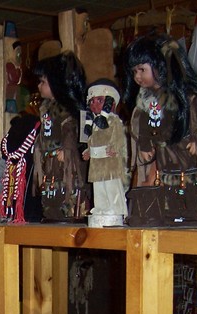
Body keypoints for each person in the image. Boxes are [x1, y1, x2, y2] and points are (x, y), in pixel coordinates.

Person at [123, 34, 197, 224]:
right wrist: (144, 144)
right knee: (164, 197)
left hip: (185, 159)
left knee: (187, 197)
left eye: (142, 69)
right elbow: (142, 127)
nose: (137, 77)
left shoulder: (188, 99)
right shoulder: (144, 102)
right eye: (134, 71)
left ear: (160, 65)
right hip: (163, 162)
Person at [32, 50, 88, 221]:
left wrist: (68, 150)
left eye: (43, 82)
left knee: (66, 189)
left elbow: (70, 132)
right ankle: (51, 213)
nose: (39, 86)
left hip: (65, 164)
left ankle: (70, 212)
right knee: (50, 190)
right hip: (50, 162)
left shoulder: (67, 111)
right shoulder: (46, 109)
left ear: (56, 83)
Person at [82, 79, 128, 219]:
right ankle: (101, 207)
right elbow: (92, 140)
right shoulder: (94, 124)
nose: (94, 104)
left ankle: (115, 208)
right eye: (92, 101)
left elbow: (119, 137)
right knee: (98, 187)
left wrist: (115, 147)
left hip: (109, 161)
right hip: (96, 162)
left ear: (110, 103)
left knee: (111, 186)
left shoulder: (113, 121)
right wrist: (88, 151)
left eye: (100, 100)